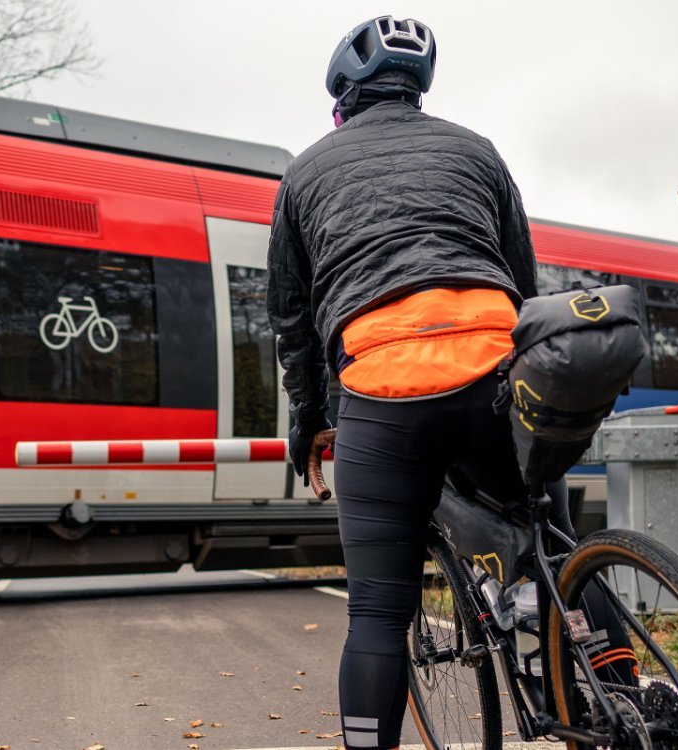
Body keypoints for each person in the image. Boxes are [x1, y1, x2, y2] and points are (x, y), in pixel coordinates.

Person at [267, 16, 633, 748]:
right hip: (498, 375)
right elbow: (523, 282)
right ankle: (624, 700)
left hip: (379, 391)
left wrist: (311, 422)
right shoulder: (477, 151)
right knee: (553, 540)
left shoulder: (305, 172)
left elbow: (295, 319)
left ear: (344, 95)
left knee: (377, 612)